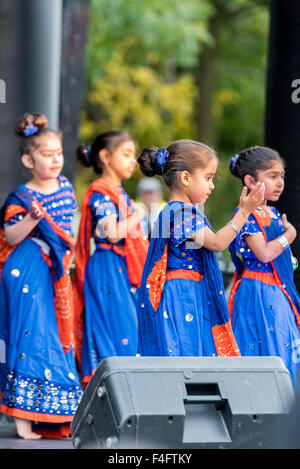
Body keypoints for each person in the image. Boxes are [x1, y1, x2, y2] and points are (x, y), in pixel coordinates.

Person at [136, 140, 265, 357]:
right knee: (186, 355)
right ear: (186, 178)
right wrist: (244, 212)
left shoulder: (179, 211)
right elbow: (216, 243)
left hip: (189, 290)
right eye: (208, 178)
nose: (212, 185)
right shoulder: (179, 213)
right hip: (182, 293)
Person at [0, 113, 83, 439]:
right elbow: (10, 237)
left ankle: (51, 414)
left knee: (54, 338)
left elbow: (65, 234)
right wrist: (34, 219)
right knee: (29, 335)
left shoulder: (65, 188)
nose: (54, 160)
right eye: (46, 154)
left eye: (58, 153)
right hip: (27, 270)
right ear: (27, 159)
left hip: (54, 271)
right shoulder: (22, 196)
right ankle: (22, 418)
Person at [73, 131, 149, 388]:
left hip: (122, 271)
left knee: (129, 333)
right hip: (109, 269)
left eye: (133, 155)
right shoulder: (101, 192)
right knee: (118, 334)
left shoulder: (119, 193)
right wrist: (138, 215)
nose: (132, 161)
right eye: (126, 154)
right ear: (105, 156)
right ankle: (111, 398)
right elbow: (112, 232)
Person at [228, 145, 300, 388]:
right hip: (257, 292)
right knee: (265, 349)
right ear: (250, 180)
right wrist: (289, 235)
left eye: (282, 176)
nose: (279, 182)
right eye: (272, 176)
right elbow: (265, 254)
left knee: (284, 348)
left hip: (276, 291)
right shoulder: (247, 213)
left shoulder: (273, 212)